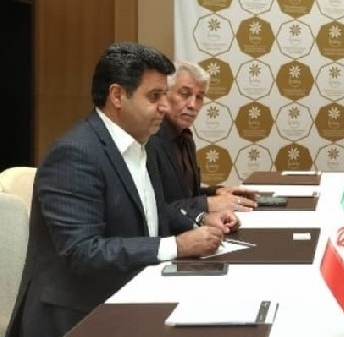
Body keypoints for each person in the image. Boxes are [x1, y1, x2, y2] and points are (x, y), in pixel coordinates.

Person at [7, 43, 239, 337]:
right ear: (117, 95)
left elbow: (151, 211)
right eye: (154, 96)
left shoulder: (141, 143)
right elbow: (83, 252)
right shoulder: (75, 154)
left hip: (134, 292)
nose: (164, 106)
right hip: (79, 315)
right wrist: (177, 246)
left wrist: (200, 220)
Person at [147, 60, 257, 218]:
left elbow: (187, 195)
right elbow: (155, 209)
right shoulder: (150, 140)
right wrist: (207, 204)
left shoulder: (185, 137)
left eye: (199, 97)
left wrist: (217, 192)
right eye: (184, 94)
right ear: (165, 94)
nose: (192, 104)